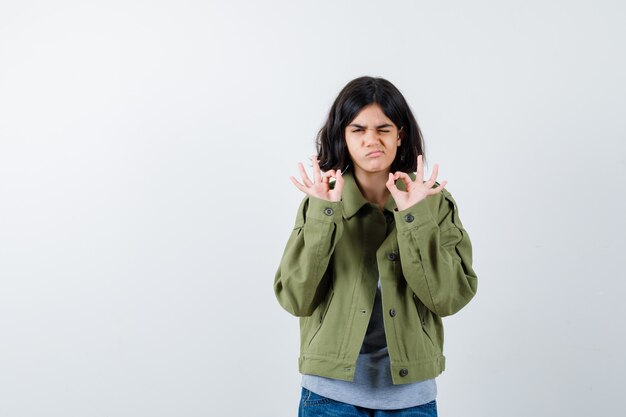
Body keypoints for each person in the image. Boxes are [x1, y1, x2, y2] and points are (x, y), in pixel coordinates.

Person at [273, 76, 478, 417]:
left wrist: (413, 216)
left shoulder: (433, 203)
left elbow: (449, 297)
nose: (372, 140)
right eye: (358, 129)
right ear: (343, 136)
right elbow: (296, 298)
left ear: (400, 134)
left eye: (383, 129)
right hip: (328, 395)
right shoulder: (322, 202)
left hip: (411, 397)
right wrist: (324, 214)